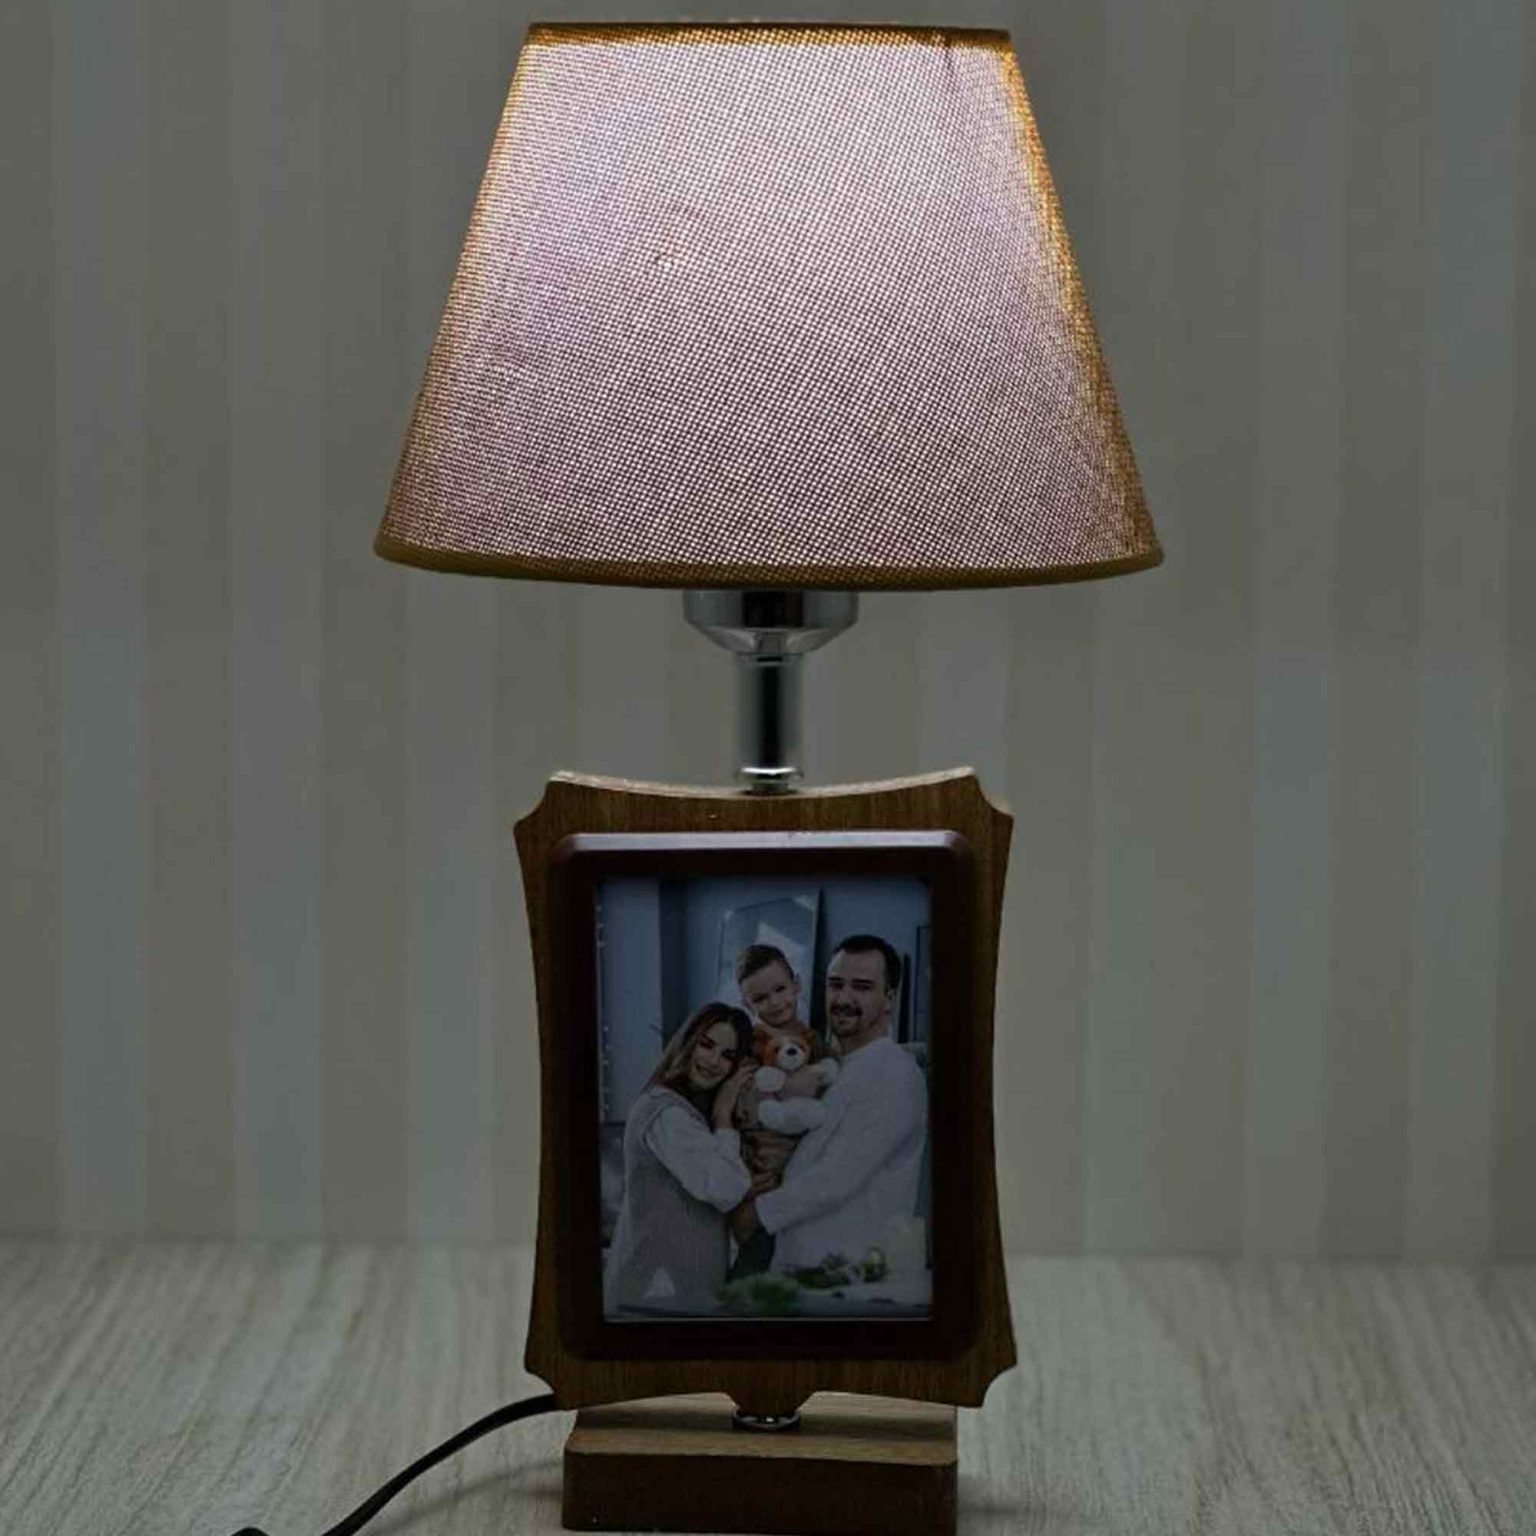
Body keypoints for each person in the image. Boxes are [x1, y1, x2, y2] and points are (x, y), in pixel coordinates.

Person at [729, 935, 927, 1274]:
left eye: (862, 987)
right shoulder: (826, 1065)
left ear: (889, 999)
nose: (843, 998)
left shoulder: (894, 1071)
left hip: (844, 1273)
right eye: (836, 984)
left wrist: (756, 1213)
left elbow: (839, 1174)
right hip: (794, 1263)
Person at [603, 1002, 759, 1313]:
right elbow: (726, 1189)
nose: (713, 1061)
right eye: (706, 1045)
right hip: (656, 1299)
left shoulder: (681, 1111)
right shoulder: (668, 1114)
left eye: (727, 1055)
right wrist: (723, 1116)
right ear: (687, 1042)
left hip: (671, 1297)